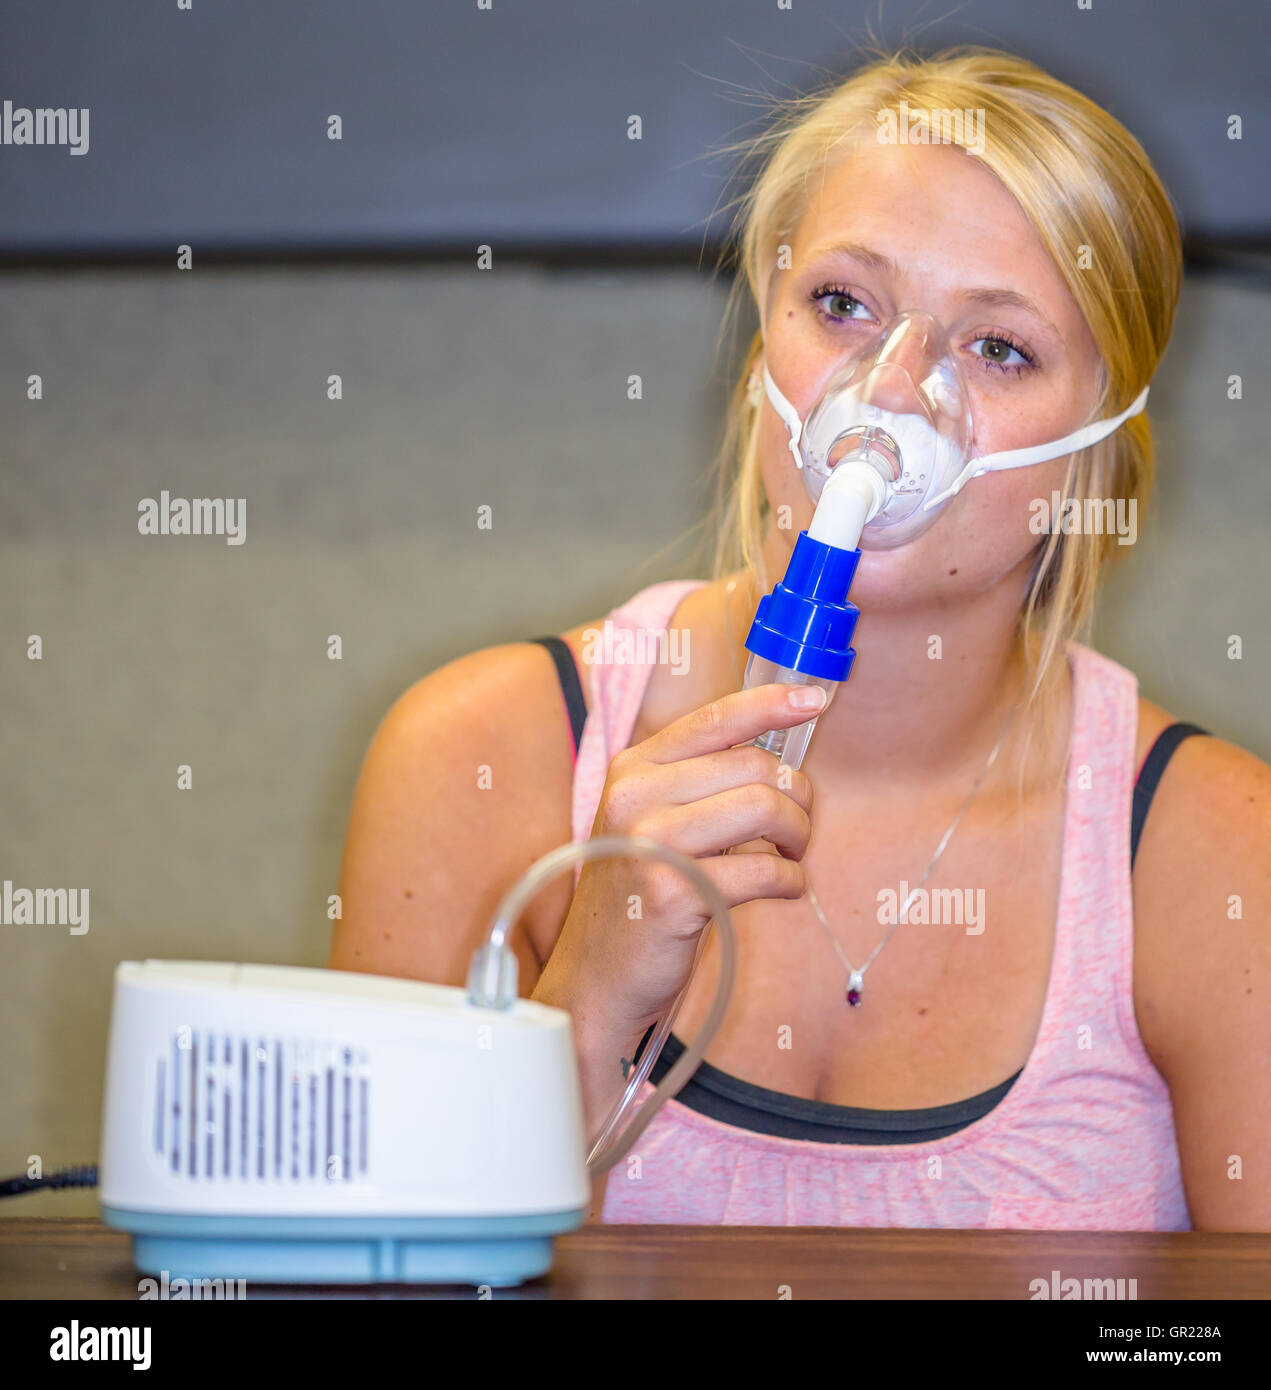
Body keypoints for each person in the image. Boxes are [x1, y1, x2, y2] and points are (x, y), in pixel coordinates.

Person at [330, 48, 1271, 1231]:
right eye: (842, 305)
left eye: (997, 347)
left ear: (1092, 450)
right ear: (758, 354)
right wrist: (586, 994)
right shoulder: (477, 757)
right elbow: (371, 1272)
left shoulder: (1214, 855)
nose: (891, 393)